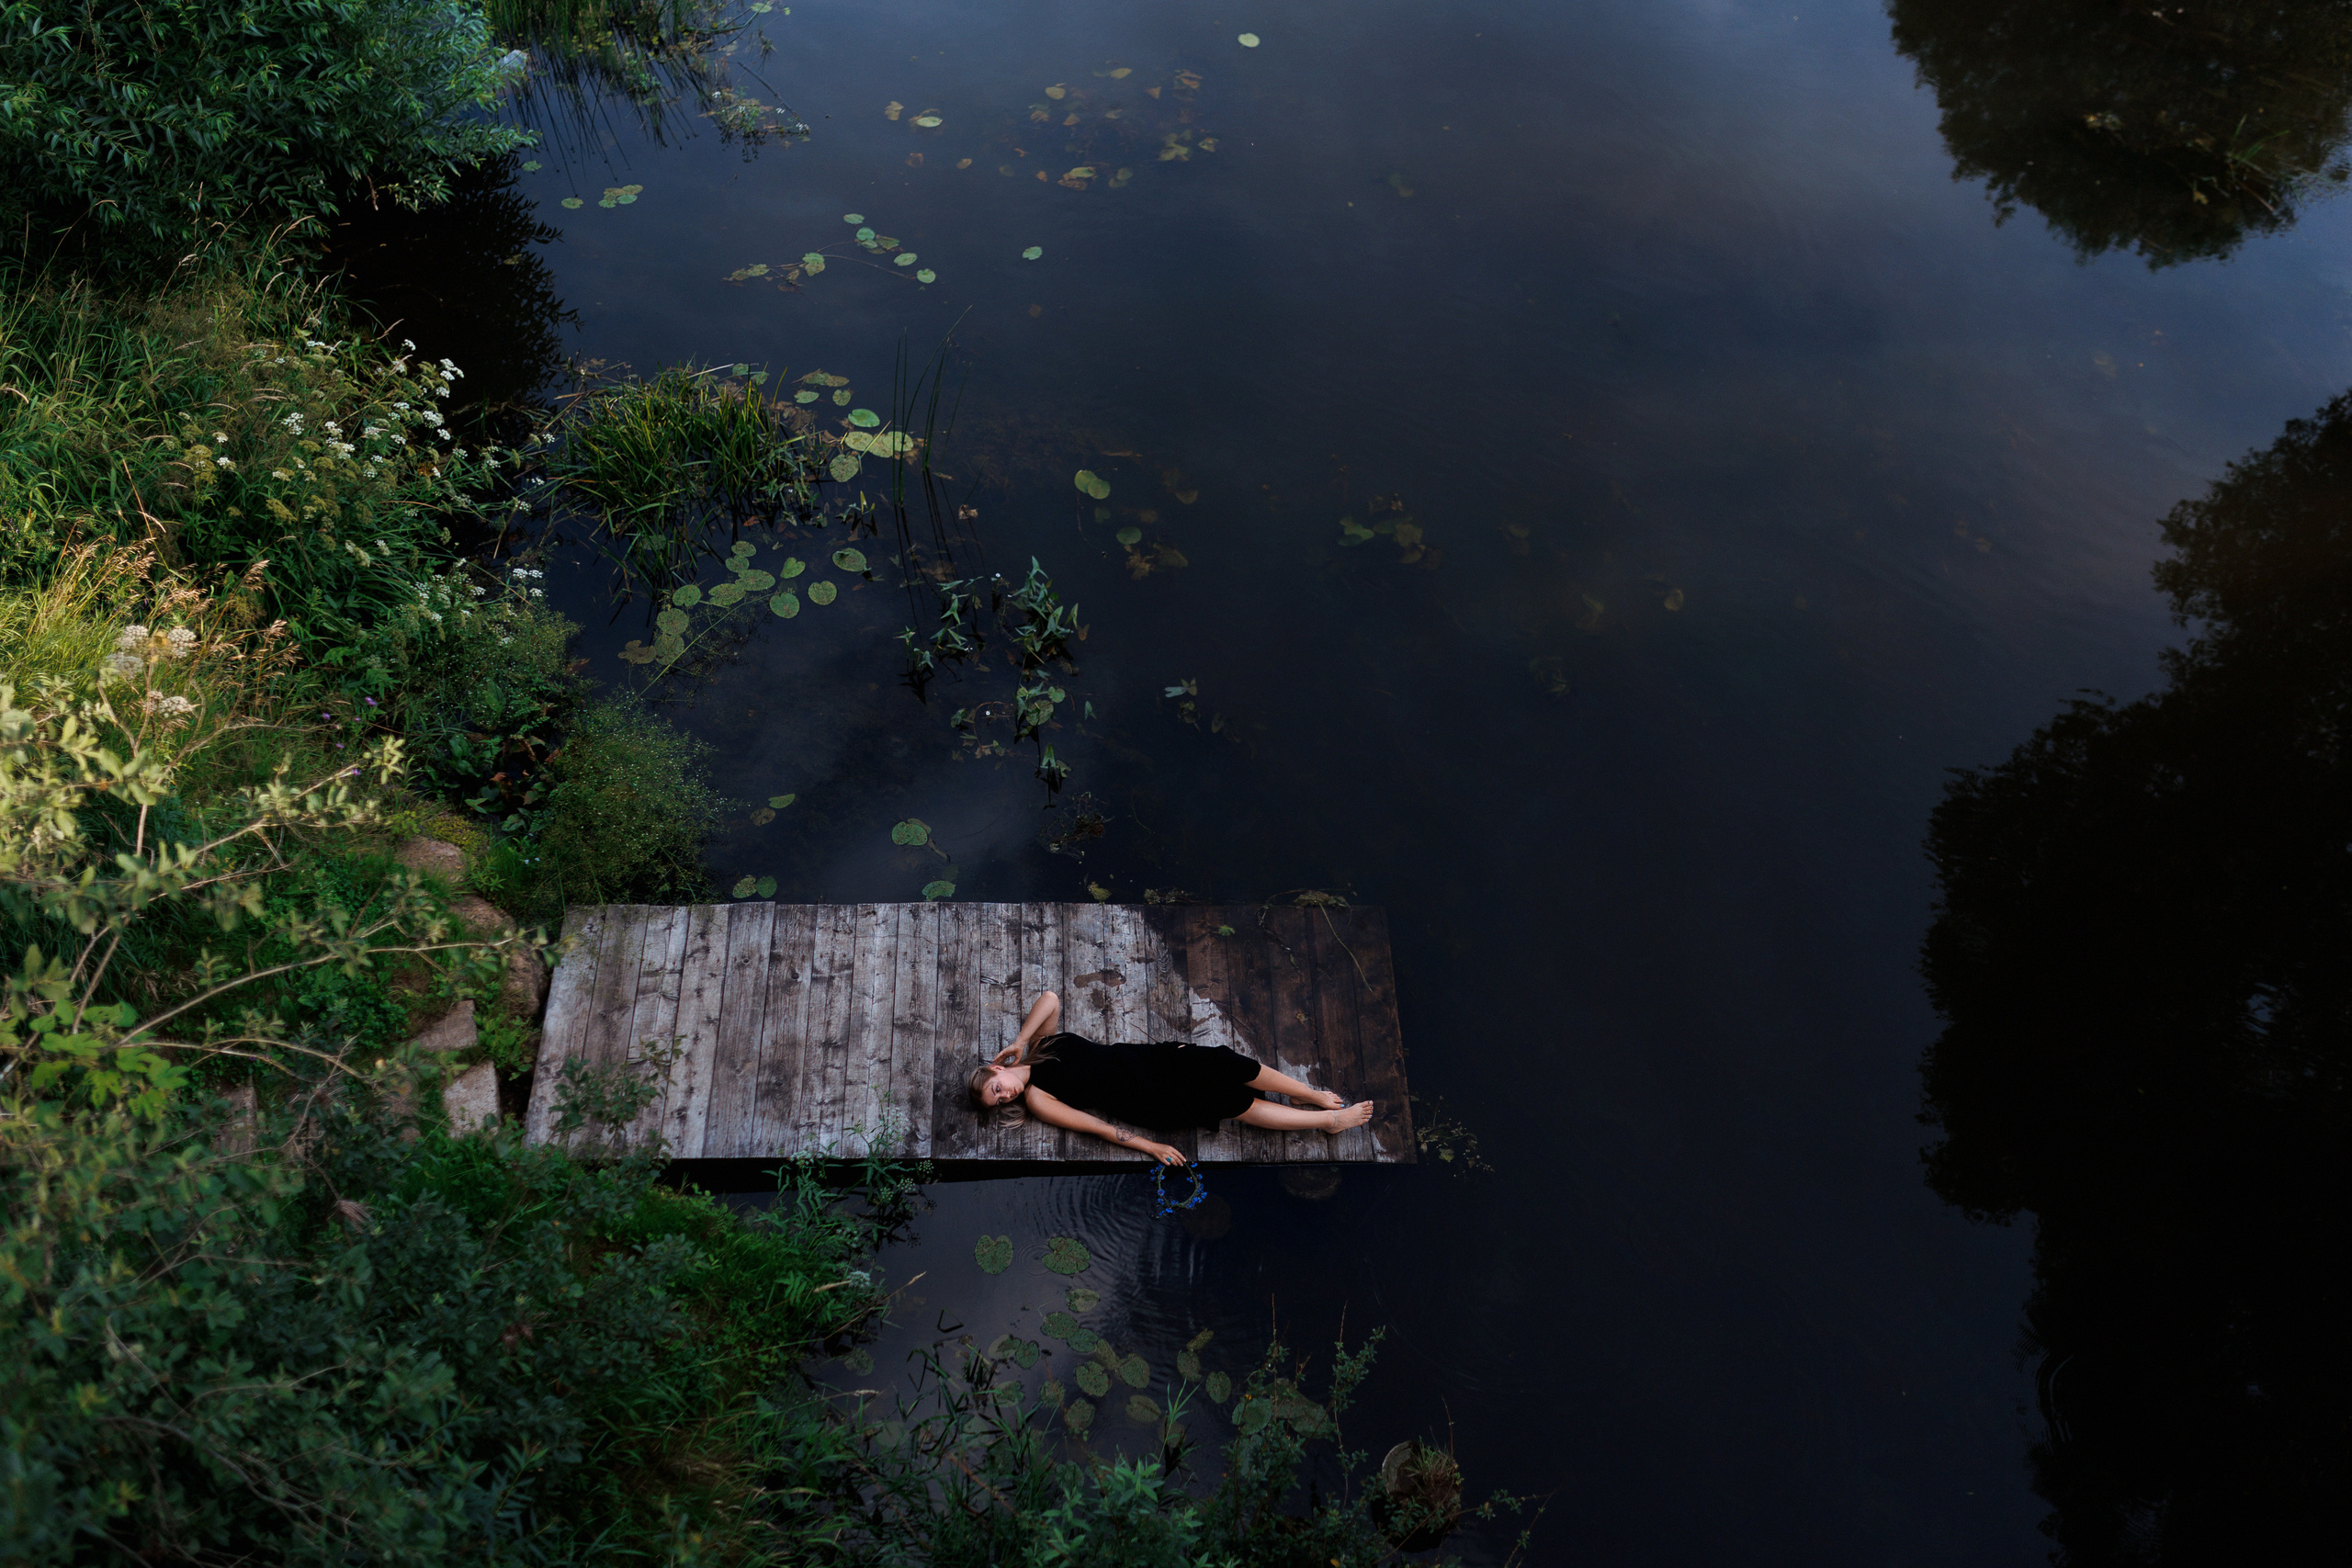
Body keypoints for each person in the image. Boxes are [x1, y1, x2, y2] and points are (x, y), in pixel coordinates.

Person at [967, 989, 1374, 1164]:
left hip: (1153, 1060)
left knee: (1231, 1064)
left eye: (996, 1088)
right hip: (1147, 1099)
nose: (1006, 1096)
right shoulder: (1038, 1098)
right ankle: (1330, 1121)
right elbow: (1097, 1127)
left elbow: (1051, 999)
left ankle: (1310, 1094)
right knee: (1230, 1100)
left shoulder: (1041, 1047)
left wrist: (1020, 1040)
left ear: (997, 1068)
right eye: (1000, 1101)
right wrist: (1150, 1146)